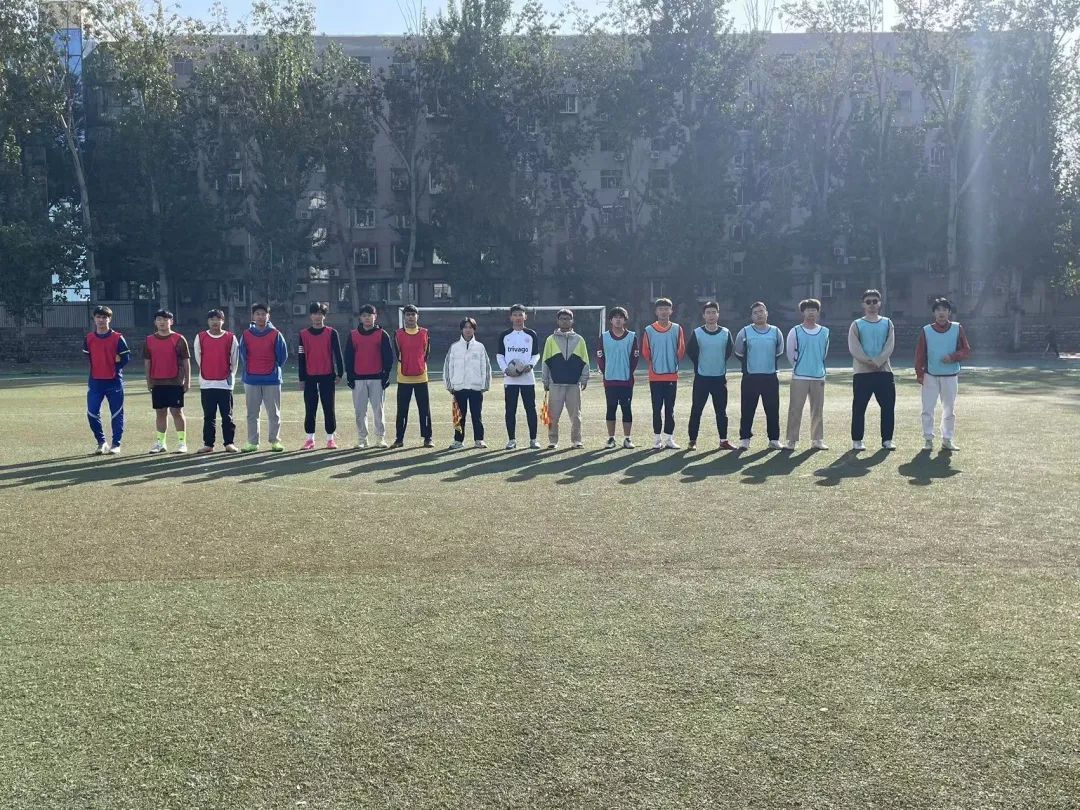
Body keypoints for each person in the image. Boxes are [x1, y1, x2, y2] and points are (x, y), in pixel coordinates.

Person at [915, 297, 972, 452]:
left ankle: (947, 439)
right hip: (930, 375)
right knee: (927, 409)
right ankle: (928, 439)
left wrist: (953, 357)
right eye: (938, 310)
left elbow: (966, 350)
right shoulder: (926, 330)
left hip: (950, 375)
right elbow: (920, 353)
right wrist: (919, 373)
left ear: (949, 312)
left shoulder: (957, 328)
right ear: (934, 313)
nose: (941, 313)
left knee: (949, 410)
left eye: (944, 310)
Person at [848, 289, 896, 451]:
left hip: (884, 372)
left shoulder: (887, 323)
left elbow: (889, 345)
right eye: (868, 302)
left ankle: (887, 440)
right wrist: (869, 361)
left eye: (875, 301)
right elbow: (854, 347)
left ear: (880, 303)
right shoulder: (856, 324)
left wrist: (879, 361)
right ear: (863, 304)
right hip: (862, 373)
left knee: (888, 407)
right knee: (859, 407)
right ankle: (857, 440)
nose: (872, 305)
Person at [734, 301, 785, 450]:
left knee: (772, 409)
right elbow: (738, 352)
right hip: (750, 377)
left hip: (770, 377)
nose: (759, 314)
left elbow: (779, 351)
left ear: (766, 313)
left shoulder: (776, 331)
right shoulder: (744, 332)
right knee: (747, 409)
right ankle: (745, 439)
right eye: (755, 312)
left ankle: (774, 439)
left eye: (761, 311)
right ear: (751, 316)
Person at [685, 300, 734, 451]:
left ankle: (723, 441)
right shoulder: (697, 333)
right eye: (708, 313)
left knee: (721, 411)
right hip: (702, 378)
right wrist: (700, 364)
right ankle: (692, 441)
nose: (711, 315)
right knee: (696, 410)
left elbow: (728, 351)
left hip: (719, 378)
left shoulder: (725, 333)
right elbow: (691, 351)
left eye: (714, 312)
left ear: (718, 314)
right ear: (704, 315)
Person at [239, 303, 288, 452]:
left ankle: (275, 441)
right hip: (251, 380)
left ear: (268, 316)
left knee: (274, 413)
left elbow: (282, 356)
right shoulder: (246, 334)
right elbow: (243, 355)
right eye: (258, 314)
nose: (261, 317)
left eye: (263, 314)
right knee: (252, 414)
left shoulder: (275, 334)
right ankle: (252, 442)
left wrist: (272, 369)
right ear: (253, 316)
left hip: (272, 380)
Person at [344, 304, 394, 449]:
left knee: (378, 410)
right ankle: (362, 439)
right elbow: (348, 357)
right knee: (360, 411)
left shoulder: (382, 334)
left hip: (377, 378)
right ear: (360, 318)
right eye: (364, 315)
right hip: (358, 378)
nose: (367, 318)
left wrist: (385, 375)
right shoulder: (353, 335)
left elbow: (388, 357)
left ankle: (380, 438)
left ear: (375, 316)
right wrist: (350, 376)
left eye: (370, 315)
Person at [83, 305, 130, 455]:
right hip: (95, 382)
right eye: (98, 317)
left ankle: (116, 444)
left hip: (114, 382)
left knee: (116, 413)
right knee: (91, 413)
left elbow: (125, 358)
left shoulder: (118, 338)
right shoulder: (89, 338)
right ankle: (101, 442)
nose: (101, 320)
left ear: (109, 319)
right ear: (94, 319)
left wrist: (114, 367)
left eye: (104, 317)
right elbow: (88, 356)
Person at [784, 298, 830, 451]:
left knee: (817, 409)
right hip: (800, 376)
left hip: (818, 376)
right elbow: (790, 353)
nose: (811, 312)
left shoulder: (824, 332)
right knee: (795, 409)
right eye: (808, 310)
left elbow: (823, 353)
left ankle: (817, 440)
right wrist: (799, 366)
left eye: (814, 310)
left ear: (818, 312)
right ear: (802, 312)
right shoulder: (795, 331)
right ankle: (791, 440)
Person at [298, 302, 344, 450]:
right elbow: (301, 357)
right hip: (310, 377)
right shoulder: (303, 334)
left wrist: (340, 373)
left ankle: (330, 439)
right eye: (314, 313)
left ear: (324, 316)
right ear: (310, 316)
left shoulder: (332, 333)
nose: (317, 316)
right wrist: (301, 378)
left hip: (327, 376)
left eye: (320, 313)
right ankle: (309, 439)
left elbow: (338, 354)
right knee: (310, 409)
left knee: (329, 408)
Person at [541, 308, 590, 450]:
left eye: (567, 319)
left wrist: (584, 378)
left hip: (573, 384)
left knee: (576, 416)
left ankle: (576, 440)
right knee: (553, 415)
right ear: (557, 321)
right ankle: (553, 441)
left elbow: (585, 360)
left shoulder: (579, 340)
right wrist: (545, 380)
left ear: (572, 321)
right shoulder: (551, 340)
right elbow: (545, 361)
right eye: (562, 319)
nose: (565, 321)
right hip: (555, 384)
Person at [641, 297, 686, 449]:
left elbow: (681, 349)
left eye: (666, 309)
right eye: (661, 309)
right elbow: (646, 352)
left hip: (671, 375)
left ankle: (669, 439)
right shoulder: (649, 330)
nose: (664, 312)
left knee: (670, 409)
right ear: (656, 311)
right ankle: (657, 439)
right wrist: (655, 363)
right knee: (656, 408)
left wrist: (672, 362)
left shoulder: (677, 328)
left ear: (671, 311)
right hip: (655, 376)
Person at [193, 308, 240, 454]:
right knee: (209, 416)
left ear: (223, 321)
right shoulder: (200, 337)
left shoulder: (231, 338)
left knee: (227, 416)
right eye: (212, 319)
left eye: (218, 319)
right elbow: (199, 358)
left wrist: (229, 377)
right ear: (208, 321)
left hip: (225, 384)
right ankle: (208, 444)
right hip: (207, 384)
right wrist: (207, 372)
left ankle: (229, 443)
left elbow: (235, 360)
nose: (215, 322)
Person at [144, 309, 191, 454]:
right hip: (157, 382)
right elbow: (147, 361)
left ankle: (182, 443)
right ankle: (160, 443)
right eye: (159, 319)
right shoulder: (149, 340)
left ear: (171, 322)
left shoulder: (179, 339)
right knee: (160, 412)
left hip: (175, 381)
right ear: (155, 322)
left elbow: (186, 361)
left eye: (165, 319)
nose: (162, 322)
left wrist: (187, 381)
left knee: (177, 412)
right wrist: (148, 380)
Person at [496, 304, 541, 450]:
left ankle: (533, 440)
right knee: (510, 410)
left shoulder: (531, 334)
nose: (518, 318)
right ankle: (511, 440)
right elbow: (500, 355)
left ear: (525, 317)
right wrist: (505, 370)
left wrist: (530, 365)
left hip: (527, 378)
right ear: (510, 317)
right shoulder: (504, 335)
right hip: (510, 379)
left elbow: (536, 354)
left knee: (530, 409)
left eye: (520, 315)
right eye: (515, 315)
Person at [444, 317, 492, 449]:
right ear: (461, 329)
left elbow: (485, 367)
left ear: (474, 329)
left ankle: (479, 440)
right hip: (459, 387)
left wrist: (485, 385)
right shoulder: (454, 347)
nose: (468, 330)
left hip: (476, 387)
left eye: (470, 327)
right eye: (465, 327)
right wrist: (450, 385)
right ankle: (458, 441)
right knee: (459, 416)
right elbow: (448, 367)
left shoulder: (480, 347)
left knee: (477, 415)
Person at [596, 307, 639, 449]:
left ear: (625, 320)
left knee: (626, 409)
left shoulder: (632, 336)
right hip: (610, 381)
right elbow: (600, 357)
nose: (618, 319)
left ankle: (627, 438)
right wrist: (607, 372)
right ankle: (611, 438)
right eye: (615, 317)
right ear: (611, 320)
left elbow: (634, 358)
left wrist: (627, 372)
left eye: (621, 317)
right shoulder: (604, 337)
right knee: (611, 408)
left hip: (626, 381)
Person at [392, 304, 433, 448]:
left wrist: (419, 365)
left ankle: (428, 438)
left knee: (424, 409)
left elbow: (426, 353)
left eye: (413, 314)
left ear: (417, 316)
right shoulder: (398, 334)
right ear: (404, 317)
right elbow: (398, 353)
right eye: (408, 314)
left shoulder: (425, 333)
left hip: (421, 377)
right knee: (402, 410)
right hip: (403, 378)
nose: (410, 317)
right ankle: (399, 439)